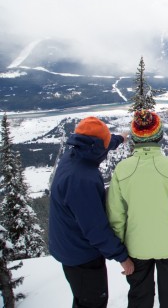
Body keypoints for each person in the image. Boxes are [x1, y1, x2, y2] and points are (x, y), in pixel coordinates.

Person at [106, 110, 168, 308]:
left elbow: (116, 215)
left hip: (135, 246)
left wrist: (120, 247)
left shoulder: (122, 170)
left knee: (140, 296)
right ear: (159, 136)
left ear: (133, 138)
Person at [49, 116, 135, 308]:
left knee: (83, 298)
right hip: (81, 256)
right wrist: (122, 257)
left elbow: (102, 143)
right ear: (96, 147)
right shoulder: (81, 180)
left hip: (69, 245)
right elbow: (95, 228)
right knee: (93, 302)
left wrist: (120, 138)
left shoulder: (75, 153)